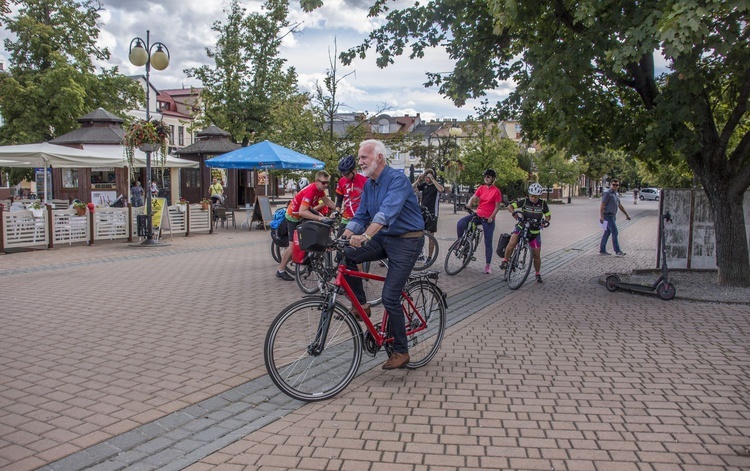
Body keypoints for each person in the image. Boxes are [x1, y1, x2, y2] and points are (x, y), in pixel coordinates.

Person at [342, 139, 425, 370]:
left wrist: (366, 236)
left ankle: (401, 350)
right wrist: (344, 236)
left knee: (390, 296)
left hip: (407, 241)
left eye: (363, 158)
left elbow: (386, 213)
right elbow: (361, 216)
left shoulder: (397, 180)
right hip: (386, 237)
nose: (359, 163)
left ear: (378, 157)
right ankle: (361, 305)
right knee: (347, 254)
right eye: (359, 158)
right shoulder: (370, 184)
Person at [275, 170, 336, 281]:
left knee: (321, 223)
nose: (326, 185)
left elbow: (326, 201)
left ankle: (310, 257)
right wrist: (319, 218)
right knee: (293, 246)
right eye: (324, 183)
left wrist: (338, 209)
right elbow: (302, 212)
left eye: (328, 183)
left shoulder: (319, 189)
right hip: (293, 216)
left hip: (305, 211)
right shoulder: (310, 191)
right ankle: (281, 270)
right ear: (317, 181)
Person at [499, 182, 552, 283]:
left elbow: (548, 216)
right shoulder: (524, 202)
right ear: (529, 195)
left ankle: (537, 273)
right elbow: (510, 206)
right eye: (531, 196)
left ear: (539, 196)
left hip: (535, 231)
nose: (533, 198)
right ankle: (505, 261)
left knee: (536, 255)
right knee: (513, 241)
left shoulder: (542, 204)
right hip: (522, 227)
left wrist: (545, 221)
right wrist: (514, 213)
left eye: (536, 196)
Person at [455, 169, 503, 274]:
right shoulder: (481, 188)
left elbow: (497, 207)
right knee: (461, 223)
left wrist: (491, 217)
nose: (486, 178)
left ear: (493, 179)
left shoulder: (496, 191)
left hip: (488, 219)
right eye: (485, 176)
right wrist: (469, 204)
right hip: (478, 215)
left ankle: (487, 265)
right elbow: (473, 197)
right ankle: (460, 242)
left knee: (488, 242)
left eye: (488, 177)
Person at [412, 168, 444, 256]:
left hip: (432, 213)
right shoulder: (424, 185)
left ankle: (430, 257)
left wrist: (433, 180)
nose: (426, 178)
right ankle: (421, 254)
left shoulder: (435, 185)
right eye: (425, 176)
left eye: (428, 177)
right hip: (422, 212)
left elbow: (441, 190)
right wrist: (418, 180)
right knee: (419, 233)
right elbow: (410, 189)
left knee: (431, 236)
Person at [335, 155, 368, 235]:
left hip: (360, 220)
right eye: (343, 174)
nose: (345, 177)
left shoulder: (365, 180)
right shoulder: (341, 181)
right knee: (339, 243)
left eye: (347, 174)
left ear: (354, 170)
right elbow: (339, 200)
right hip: (346, 219)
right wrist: (336, 211)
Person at [599, 178, 630, 256]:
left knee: (607, 232)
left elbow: (619, 205)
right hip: (607, 215)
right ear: (610, 185)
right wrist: (601, 217)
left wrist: (626, 214)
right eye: (614, 185)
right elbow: (602, 205)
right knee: (615, 232)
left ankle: (602, 250)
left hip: (613, 216)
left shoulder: (616, 194)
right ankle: (618, 251)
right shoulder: (607, 193)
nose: (615, 186)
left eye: (617, 185)